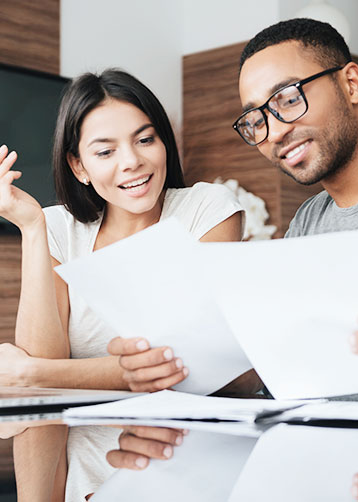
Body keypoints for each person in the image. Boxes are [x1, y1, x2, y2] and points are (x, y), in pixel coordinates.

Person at [0, 68, 253, 500]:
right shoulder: (57, 227)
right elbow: (41, 395)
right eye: (105, 151)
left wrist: (33, 373)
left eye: (145, 139)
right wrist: (31, 228)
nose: (132, 161)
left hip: (184, 468)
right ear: (78, 167)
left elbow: (188, 364)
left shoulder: (207, 210)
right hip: (81, 475)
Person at [232, 17, 358, 400]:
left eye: (288, 99)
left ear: (351, 84)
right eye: (256, 120)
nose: (273, 133)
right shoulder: (309, 220)